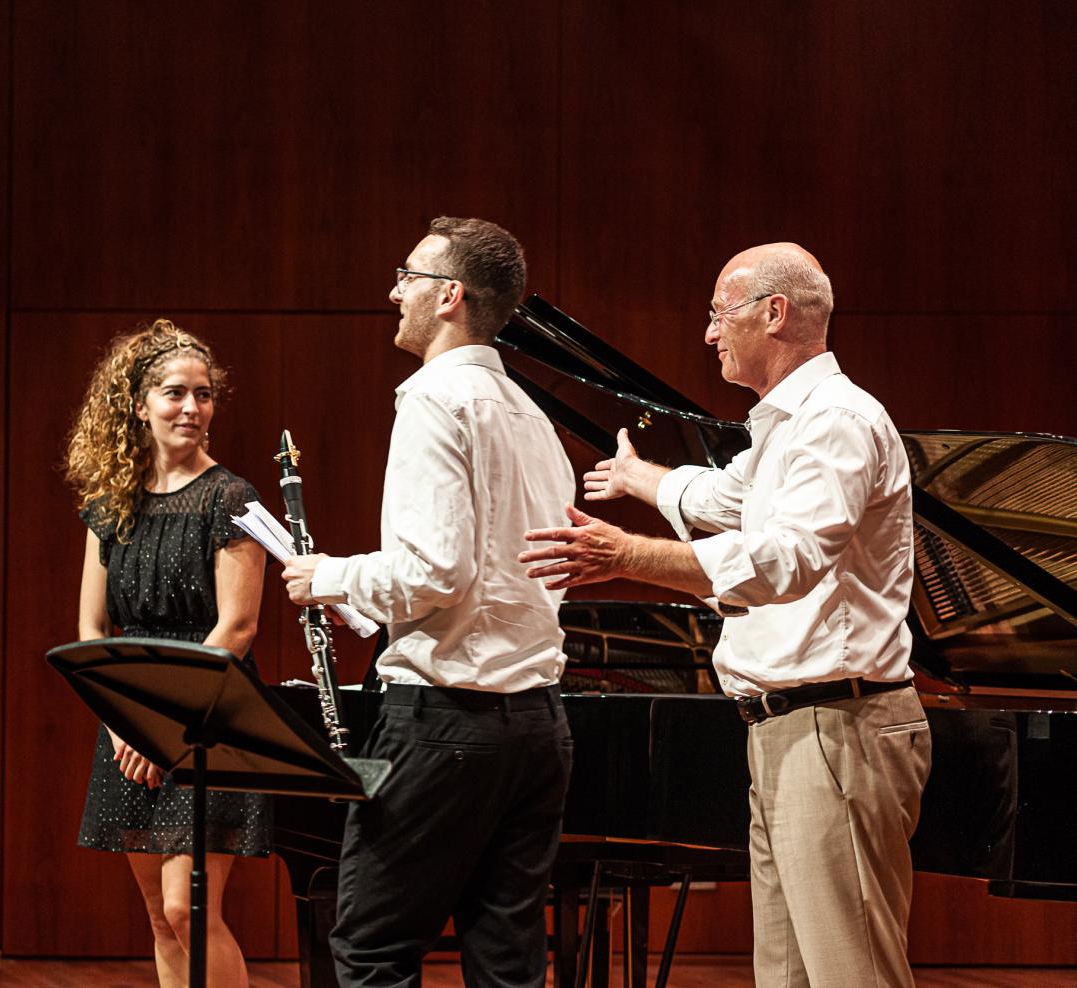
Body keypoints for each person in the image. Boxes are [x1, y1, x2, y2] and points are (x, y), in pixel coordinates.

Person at [519, 243, 931, 988]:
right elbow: (726, 497)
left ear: (774, 313)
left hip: (836, 726)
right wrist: (644, 478)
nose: (709, 332)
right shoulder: (785, 426)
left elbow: (786, 560)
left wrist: (627, 556)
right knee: (787, 975)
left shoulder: (835, 421)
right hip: (786, 729)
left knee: (851, 974)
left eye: (718, 312)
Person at [281, 217, 576, 987]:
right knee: (507, 963)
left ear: (449, 295)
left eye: (407, 276)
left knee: (373, 952)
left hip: (447, 721)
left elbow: (431, 575)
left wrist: (330, 577)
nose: (393, 291)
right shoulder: (532, 417)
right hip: (538, 727)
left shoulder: (435, 401)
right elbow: (548, 570)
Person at [65, 319, 268, 988]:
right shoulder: (110, 505)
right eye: (175, 393)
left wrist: (164, 727)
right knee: (158, 916)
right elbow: (93, 630)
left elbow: (236, 630)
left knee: (189, 908)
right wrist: (127, 722)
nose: (192, 408)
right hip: (128, 722)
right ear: (139, 403)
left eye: (204, 394)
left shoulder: (230, 499)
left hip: (206, 717)